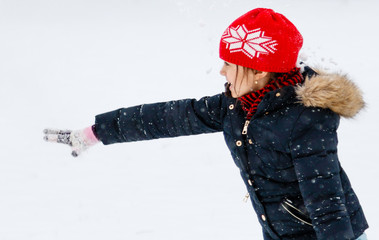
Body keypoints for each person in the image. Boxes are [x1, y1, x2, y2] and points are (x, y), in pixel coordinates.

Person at [44, 8, 368, 240]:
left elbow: (326, 200)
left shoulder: (306, 120)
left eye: (230, 63)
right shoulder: (237, 104)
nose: (222, 71)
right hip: (278, 229)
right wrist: (96, 132)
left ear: (260, 70)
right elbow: (168, 118)